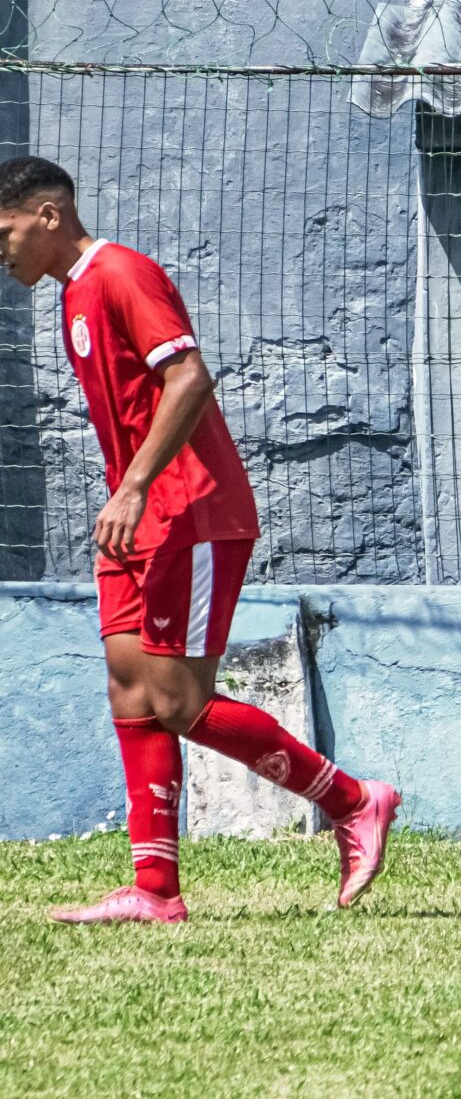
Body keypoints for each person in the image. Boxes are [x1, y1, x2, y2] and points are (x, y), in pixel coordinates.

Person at [0, 156, 401, 924]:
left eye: (5, 230)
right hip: (137, 524)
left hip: (188, 514)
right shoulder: (75, 296)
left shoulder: (122, 273)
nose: (2, 249)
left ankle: (354, 802)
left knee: (180, 703)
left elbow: (188, 378)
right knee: (128, 686)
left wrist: (136, 487)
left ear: (47, 215)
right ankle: (155, 892)